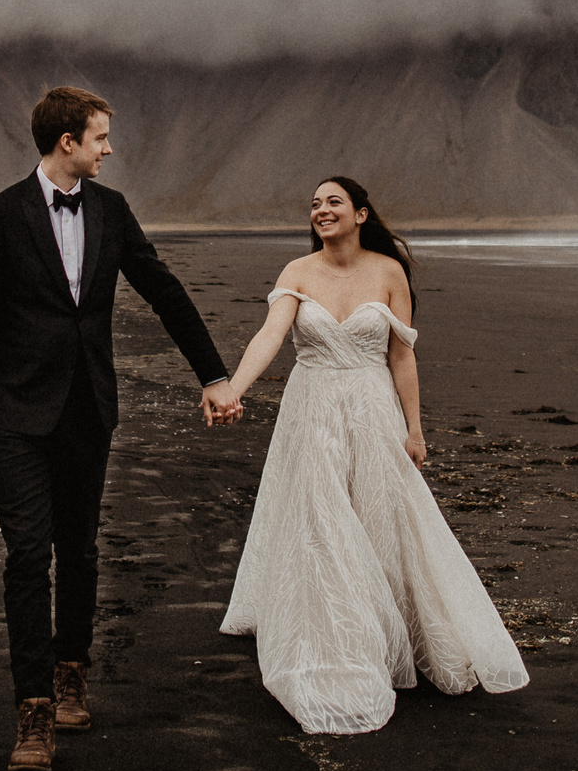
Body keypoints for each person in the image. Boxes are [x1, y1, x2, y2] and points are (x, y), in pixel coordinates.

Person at [0, 85, 243, 771]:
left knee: (78, 548)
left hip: (87, 409)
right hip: (15, 414)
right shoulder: (3, 213)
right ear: (67, 142)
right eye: (101, 136)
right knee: (28, 554)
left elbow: (161, 288)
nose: (109, 148)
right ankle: (32, 711)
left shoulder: (110, 211)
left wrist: (213, 374)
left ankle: (71, 669)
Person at [208, 176, 528, 735]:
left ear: (360, 214)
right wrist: (234, 387)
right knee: (322, 520)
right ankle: (336, 636)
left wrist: (415, 429)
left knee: (380, 515)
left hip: (372, 409)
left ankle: (389, 629)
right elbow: (269, 335)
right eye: (313, 204)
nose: (320, 211)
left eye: (333, 202)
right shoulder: (297, 273)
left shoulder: (388, 272)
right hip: (310, 411)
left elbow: (402, 357)